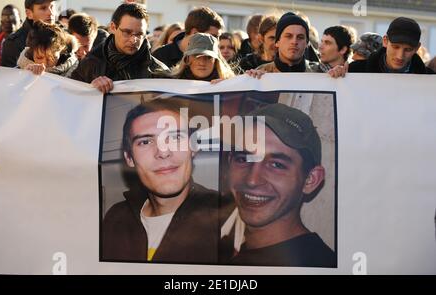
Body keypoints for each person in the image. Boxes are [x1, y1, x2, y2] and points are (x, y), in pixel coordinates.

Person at [102, 100, 219, 263]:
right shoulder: (115, 218)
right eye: (145, 142)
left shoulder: (226, 217)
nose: (163, 152)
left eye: (175, 137)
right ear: (129, 158)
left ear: (193, 146)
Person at [224, 103, 336, 267]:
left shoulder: (317, 267)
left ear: (310, 180)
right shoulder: (232, 252)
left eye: (277, 165)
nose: (252, 180)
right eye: (243, 159)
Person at [70, 3, 169, 93]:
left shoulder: (158, 72)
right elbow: (72, 99)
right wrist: (90, 89)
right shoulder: (90, 64)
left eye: (139, 34)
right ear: (113, 27)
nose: (133, 40)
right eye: (127, 32)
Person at [349, 17, 434, 74]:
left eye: (408, 49)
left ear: (417, 48)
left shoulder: (431, 80)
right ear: (385, 41)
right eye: (396, 47)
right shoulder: (355, 71)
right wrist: (338, 75)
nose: (400, 56)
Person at [152, 7, 224, 69]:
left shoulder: (216, 57)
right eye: (213, 37)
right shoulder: (160, 56)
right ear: (195, 32)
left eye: (218, 37)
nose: (217, 42)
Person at [1, 0, 58, 68]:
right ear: (29, 14)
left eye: (52, 7)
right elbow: (11, 76)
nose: (50, 13)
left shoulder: (65, 36)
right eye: (43, 8)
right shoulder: (12, 44)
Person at [169, 33, 234, 81]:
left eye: (208, 57)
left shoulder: (229, 83)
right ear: (187, 59)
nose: (202, 63)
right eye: (196, 56)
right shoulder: (169, 82)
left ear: (216, 61)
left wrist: (225, 88)